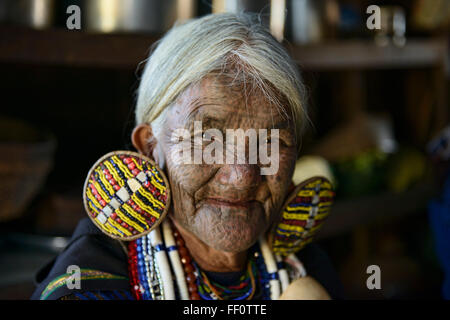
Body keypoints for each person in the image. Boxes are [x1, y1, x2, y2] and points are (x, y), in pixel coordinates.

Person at [31, 12, 343, 300]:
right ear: (150, 146)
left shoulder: (306, 266)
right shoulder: (86, 286)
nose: (242, 175)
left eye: (272, 142)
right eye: (207, 140)